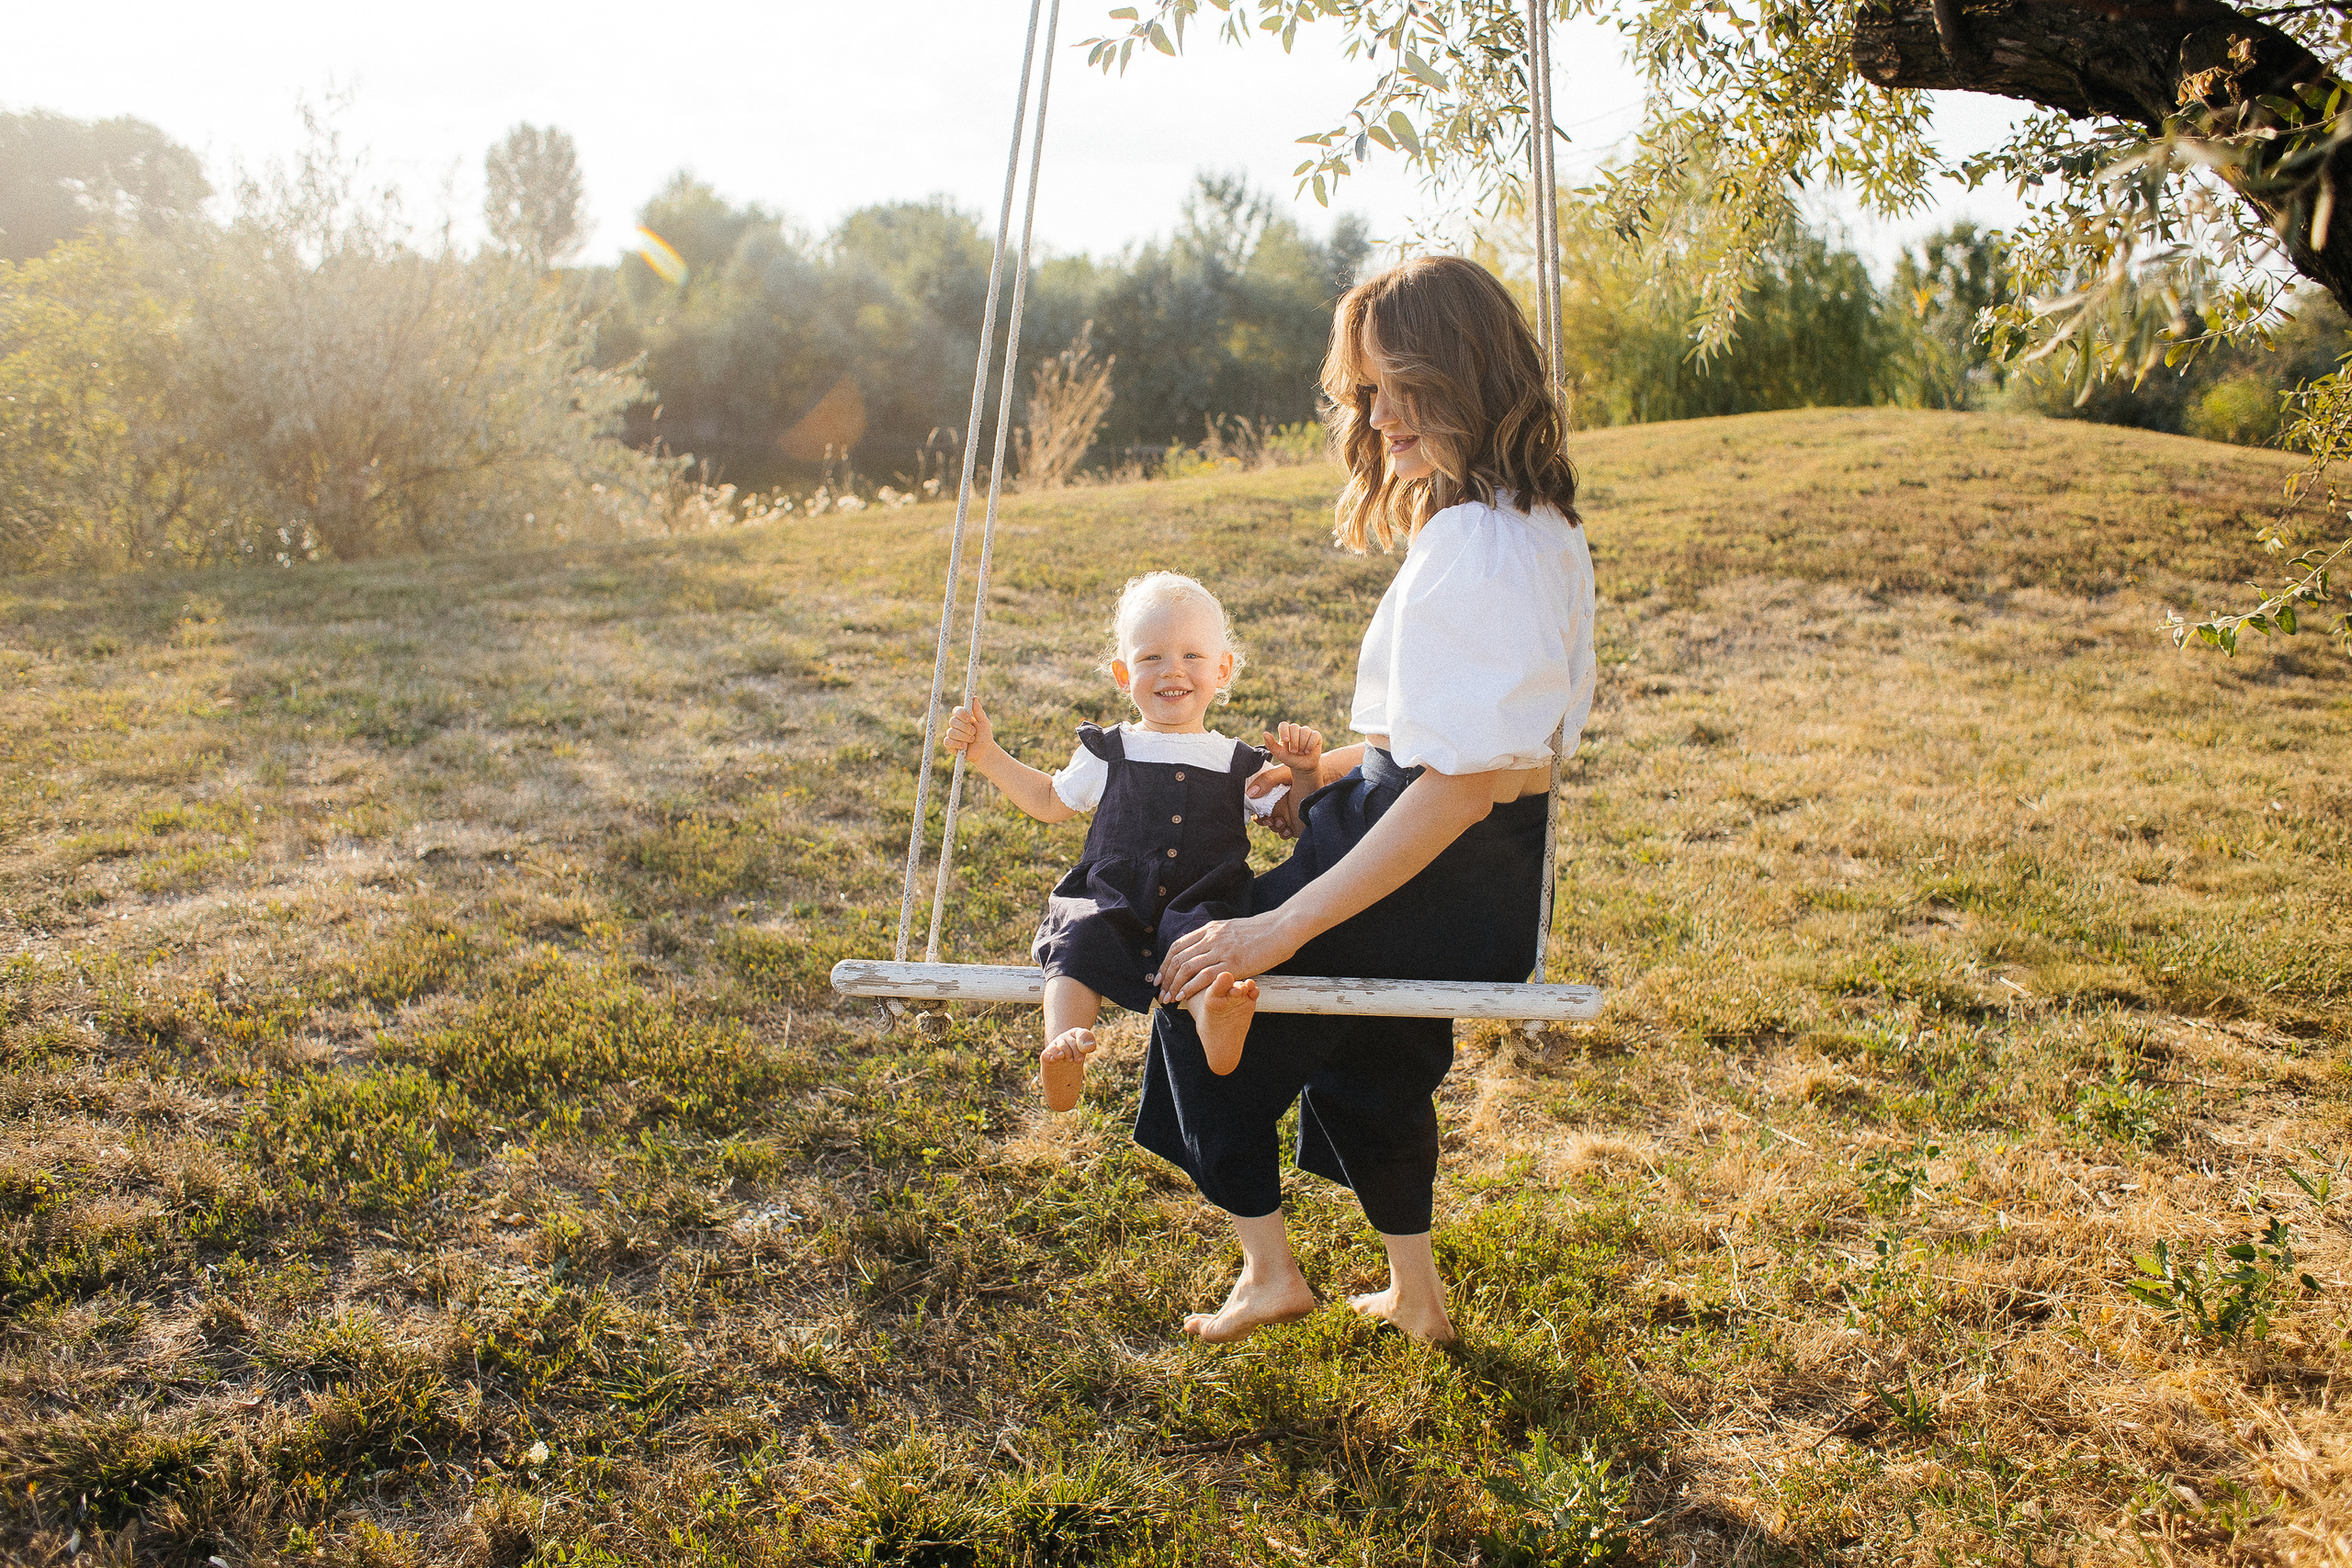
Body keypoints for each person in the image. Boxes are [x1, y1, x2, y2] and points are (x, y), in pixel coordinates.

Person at [1139, 255, 1597, 1344]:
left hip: (1434, 864)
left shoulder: (1482, 542)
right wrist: (1330, 774)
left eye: (1403, 384)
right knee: (1375, 1067)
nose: (1382, 414)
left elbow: (1460, 783)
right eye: (1368, 388)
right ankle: (1417, 1300)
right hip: (1477, 879)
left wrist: (1278, 925)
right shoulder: (1525, 521)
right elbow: (1462, 741)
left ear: (1465, 372)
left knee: (1195, 965)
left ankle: (1268, 1272)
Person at [942, 571, 1326, 1111]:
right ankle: (1063, 1041)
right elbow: (1052, 800)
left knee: (1204, 942)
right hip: (1112, 892)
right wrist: (986, 753)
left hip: (1202, 896)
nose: (1173, 669)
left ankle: (1213, 1016)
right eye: (1151, 658)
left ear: (1223, 669)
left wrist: (1305, 773)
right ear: (1123, 674)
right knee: (1079, 939)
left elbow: (1297, 824)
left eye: (1193, 656)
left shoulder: (1241, 764)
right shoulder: (1109, 749)